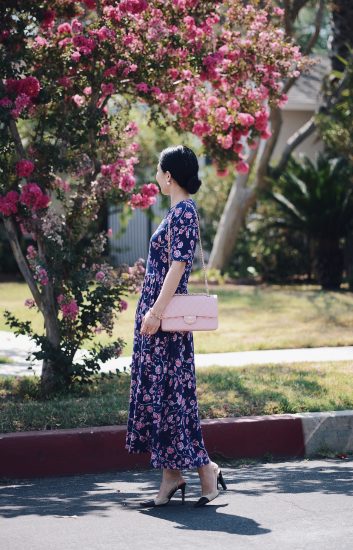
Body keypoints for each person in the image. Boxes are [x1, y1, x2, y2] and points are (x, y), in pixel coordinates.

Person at [125, 145, 227, 507]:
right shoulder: (177, 211)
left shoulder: (184, 212)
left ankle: (200, 471)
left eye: (157, 170)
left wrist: (154, 312)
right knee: (165, 398)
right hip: (159, 316)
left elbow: (178, 267)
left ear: (169, 176)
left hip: (165, 320)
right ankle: (178, 475)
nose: (155, 175)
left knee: (170, 398)